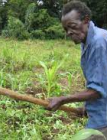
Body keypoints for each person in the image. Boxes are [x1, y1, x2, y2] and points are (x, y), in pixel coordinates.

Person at [47, 1, 107, 139]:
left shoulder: (98, 43)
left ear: (86, 20)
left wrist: (62, 99)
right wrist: (87, 105)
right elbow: (97, 78)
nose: (68, 33)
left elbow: (97, 90)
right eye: (65, 29)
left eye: (72, 27)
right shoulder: (87, 40)